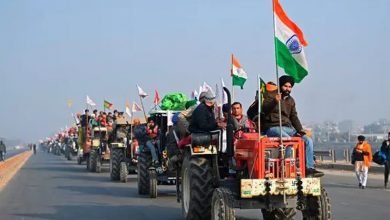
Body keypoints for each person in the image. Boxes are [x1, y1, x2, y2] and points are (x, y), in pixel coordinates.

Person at [262, 75, 323, 177]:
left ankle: (309, 168)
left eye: (290, 87)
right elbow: (264, 110)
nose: (288, 89)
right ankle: (285, 168)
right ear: (281, 85)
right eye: (285, 86)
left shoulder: (291, 100)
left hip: (288, 127)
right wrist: (274, 102)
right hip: (273, 127)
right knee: (288, 140)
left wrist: (300, 130)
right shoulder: (271, 96)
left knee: (307, 140)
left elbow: (294, 117)